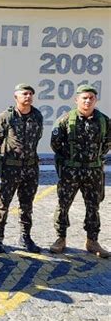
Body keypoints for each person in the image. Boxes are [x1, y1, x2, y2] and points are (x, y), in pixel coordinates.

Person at [50, 84, 110, 257]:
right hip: (71, 172)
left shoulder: (104, 121)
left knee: (93, 206)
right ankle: (60, 238)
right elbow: (56, 144)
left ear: (96, 100)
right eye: (84, 97)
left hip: (94, 171)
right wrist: (69, 160)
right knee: (63, 205)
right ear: (77, 100)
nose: (88, 101)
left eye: (91, 97)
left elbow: (107, 142)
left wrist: (94, 157)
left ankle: (92, 241)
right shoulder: (65, 119)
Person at [0, 83, 43, 253]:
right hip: (10, 168)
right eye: (24, 94)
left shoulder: (37, 116)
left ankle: (25, 237)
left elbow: (38, 137)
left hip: (30, 168)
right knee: (3, 203)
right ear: (16, 97)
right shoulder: (6, 117)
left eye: (30, 94)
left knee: (27, 205)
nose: (27, 97)